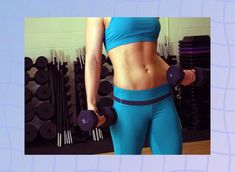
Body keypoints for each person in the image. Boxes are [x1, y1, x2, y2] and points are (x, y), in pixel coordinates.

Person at [85, 17, 196, 154]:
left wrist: (178, 74)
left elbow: (151, 54)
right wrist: (91, 103)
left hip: (163, 99)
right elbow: (93, 58)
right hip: (128, 106)